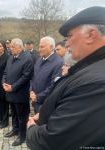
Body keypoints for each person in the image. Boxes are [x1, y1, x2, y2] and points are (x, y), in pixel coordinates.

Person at [26, 6, 105, 149]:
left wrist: (32, 129)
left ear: (91, 35)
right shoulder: (91, 67)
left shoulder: (96, 82)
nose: (66, 43)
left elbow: (52, 142)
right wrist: (45, 113)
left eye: (70, 36)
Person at [3, 38, 33, 146]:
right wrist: (3, 83)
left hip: (20, 94)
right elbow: (5, 72)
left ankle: (22, 136)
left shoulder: (27, 59)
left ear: (20, 47)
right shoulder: (11, 58)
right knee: (14, 113)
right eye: (10, 47)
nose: (10, 49)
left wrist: (13, 87)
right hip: (10, 92)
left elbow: (26, 77)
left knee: (22, 116)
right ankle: (15, 129)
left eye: (13, 47)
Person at [30, 36, 63, 113]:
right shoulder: (39, 60)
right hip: (36, 102)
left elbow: (54, 86)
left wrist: (38, 97)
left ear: (51, 47)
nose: (39, 49)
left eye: (42, 47)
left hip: (47, 104)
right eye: (39, 47)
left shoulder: (58, 63)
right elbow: (33, 77)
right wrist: (31, 91)